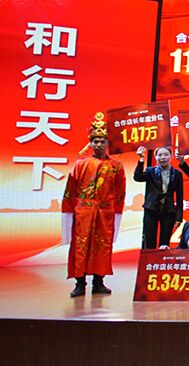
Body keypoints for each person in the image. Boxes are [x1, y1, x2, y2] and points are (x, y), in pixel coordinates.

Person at [63, 113, 126, 298]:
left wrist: (116, 213)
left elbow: (120, 192)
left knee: (102, 247)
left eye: (102, 141)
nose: (99, 145)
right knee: (81, 246)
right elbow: (70, 190)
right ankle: (79, 283)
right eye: (95, 141)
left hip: (105, 212)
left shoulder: (116, 166)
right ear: (90, 144)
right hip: (83, 212)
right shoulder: (80, 164)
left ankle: (98, 282)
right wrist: (68, 214)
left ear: (108, 143)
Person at [134, 146, 184, 249]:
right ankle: (149, 259)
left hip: (168, 210)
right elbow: (138, 177)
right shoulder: (150, 171)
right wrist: (141, 159)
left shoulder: (177, 174)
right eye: (160, 155)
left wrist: (179, 217)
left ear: (171, 157)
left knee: (164, 243)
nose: (163, 157)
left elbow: (180, 197)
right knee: (149, 241)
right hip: (151, 208)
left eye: (166, 155)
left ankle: (162, 259)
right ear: (156, 157)